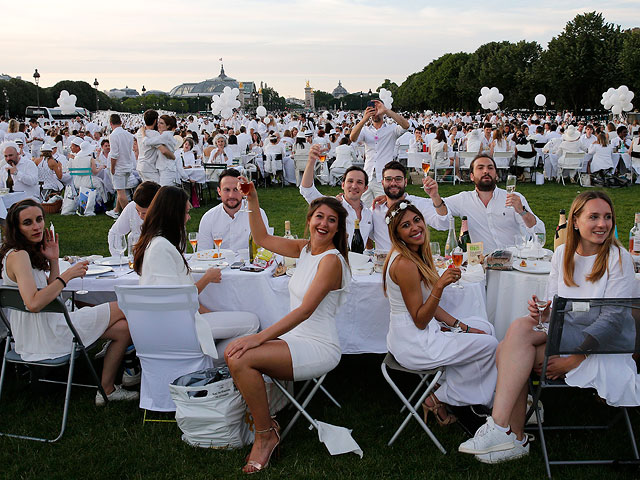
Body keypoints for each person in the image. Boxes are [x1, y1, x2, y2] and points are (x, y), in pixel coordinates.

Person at [459, 191, 638, 464]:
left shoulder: (618, 258)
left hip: (602, 349)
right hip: (568, 335)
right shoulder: (562, 254)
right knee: (519, 332)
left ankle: (508, 432)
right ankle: (506, 432)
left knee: (512, 349)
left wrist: (572, 360)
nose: (602, 224)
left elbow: (612, 322)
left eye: (607, 217)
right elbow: (558, 307)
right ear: (575, 222)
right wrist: (544, 312)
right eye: (594, 217)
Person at [224, 179, 351, 474]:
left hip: (319, 346)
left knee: (242, 356)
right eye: (319, 216)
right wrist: (252, 199)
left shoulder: (331, 261)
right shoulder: (305, 249)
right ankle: (266, 428)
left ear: (337, 228)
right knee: (235, 355)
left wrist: (258, 338)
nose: (324, 223)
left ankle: (265, 434)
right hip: (297, 339)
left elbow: (306, 311)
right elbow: (262, 237)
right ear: (309, 221)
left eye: (332, 220)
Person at [0, 199, 138, 405]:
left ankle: (106, 390)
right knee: (124, 306)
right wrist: (68, 276)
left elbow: (50, 295)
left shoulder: (24, 253)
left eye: (39, 219)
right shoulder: (19, 256)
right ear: (16, 228)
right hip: (45, 335)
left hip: (40, 331)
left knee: (123, 329)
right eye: (27, 222)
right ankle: (137, 363)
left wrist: (54, 259)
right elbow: (34, 303)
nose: (37, 226)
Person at [384, 200, 498, 424]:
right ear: (396, 234)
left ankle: (450, 386)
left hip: (416, 335)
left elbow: (429, 306)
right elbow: (420, 319)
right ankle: (440, 396)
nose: (415, 227)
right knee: (490, 345)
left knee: (484, 327)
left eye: (417, 220)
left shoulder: (414, 255)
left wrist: (463, 327)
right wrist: (439, 286)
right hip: (413, 343)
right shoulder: (405, 264)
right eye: (405, 225)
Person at [132, 186, 259, 359]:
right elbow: (176, 298)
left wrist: (210, 313)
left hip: (174, 320)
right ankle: (211, 363)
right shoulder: (160, 248)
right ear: (173, 214)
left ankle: (209, 359)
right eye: (185, 212)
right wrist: (206, 279)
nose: (188, 217)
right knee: (252, 323)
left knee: (238, 320)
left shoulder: (156, 242)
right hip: (178, 325)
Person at [443, 154, 545, 254]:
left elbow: (539, 232)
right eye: (480, 168)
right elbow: (437, 206)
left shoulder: (514, 198)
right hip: (482, 263)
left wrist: (522, 211)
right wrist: (434, 195)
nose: (486, 171)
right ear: (472, 176)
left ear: (496, 175)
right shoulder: (463, 200)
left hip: (514, 261)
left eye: (490, 168)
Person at [300, 144, 372, 245]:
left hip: (359, 259)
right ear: (343, 185)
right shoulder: (332, 205)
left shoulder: (369, 213)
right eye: (350, 181)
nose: (354, 186)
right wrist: (311, 161)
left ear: (365, 188)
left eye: (359, 182)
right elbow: (307, 190)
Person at [370, 161, 449, 251]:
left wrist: (435, 196)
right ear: (382, 183)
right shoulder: (375, 210)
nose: (393, 183)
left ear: (406, 182)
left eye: (398, 179)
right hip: (384, 263)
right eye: (388, 179)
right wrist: (369, 250)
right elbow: (364, 232)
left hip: (413, 262)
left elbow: (444, 224)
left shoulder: (418, 204)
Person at [350, 100, 410, 206]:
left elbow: (406, 125)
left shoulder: (391, 129)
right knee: (364, 209)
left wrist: (386, 110)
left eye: (377, 110)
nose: (375, 113)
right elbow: (353, 138)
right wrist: (364, 119)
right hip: (368, 175)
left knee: (386, 209)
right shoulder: (365, 130)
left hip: (384, 177)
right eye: (372, 110)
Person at [197, 169, 269, 252]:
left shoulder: (257, 214)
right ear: (219, 191)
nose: (231, 195)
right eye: (227, 190)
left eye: (236, 189)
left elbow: (266, 249)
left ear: (242, 190)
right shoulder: (208, 218)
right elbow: (203, 252)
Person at [108, 181, 160, 256]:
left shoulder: (169, 214)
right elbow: (115, 233)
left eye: (144, 213)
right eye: (138, 211)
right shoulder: (132, 206)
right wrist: (118, 258)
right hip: (137, 260)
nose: (140, 216)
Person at [107, 114, 136, 219]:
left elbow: (114, 154)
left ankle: (130, 217)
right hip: (128, 165)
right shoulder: (128, 135)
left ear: (111, 124)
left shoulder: (113, 135)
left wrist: (112, 167)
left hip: (120, 166)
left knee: (121, 192)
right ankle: (116, 210)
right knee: (121, 190)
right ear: (121, 122)